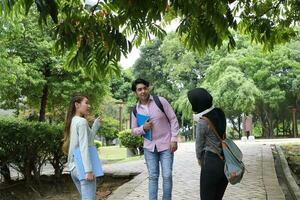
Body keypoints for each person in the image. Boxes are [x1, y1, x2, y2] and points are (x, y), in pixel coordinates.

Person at [131, 78, 179, 200]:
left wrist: (174, 139)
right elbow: (134, 130)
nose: (143, 91)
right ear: (135, 93)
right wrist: (143, 128)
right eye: (139, 89)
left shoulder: (160, 101)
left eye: (144, 88)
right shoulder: (135, 110)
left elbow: (173, 119)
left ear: (149, 88)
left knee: (167, 175)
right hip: (149, 148)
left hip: (166, 145)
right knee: (153, 176)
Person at [187, 88, 228, 200]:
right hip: (224, 161)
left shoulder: (203, 121)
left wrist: (200, 160)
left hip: (210, 162)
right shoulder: (220, 113)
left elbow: (199, 145)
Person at [62, 95, 101, 200]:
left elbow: (87, 142)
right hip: (83, 169)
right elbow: (84, 147)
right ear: (77, 105)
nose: (89, 105)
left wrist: (95, 126)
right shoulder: (82, 122)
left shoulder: (73, 120)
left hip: (74, 168)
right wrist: (88, 170)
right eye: (86, 103)